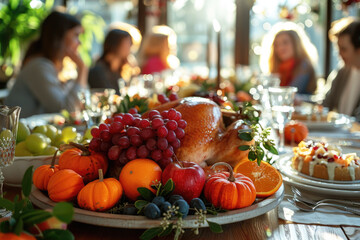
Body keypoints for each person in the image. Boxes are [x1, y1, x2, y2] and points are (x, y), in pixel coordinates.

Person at [5, 11, 88, 118]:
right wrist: (82, 69)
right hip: (19, 133)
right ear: (60, 36)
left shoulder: (50, 66)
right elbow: (65, 110)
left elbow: (82, 103)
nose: (79, 42)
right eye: (76, 35)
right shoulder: (38, 66)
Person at [260, 23, 318, 95]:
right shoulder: (278, 68)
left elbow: (290, 94)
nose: (280, 48)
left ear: (296, 44)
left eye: (285, 42)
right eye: (277, 45)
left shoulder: (304, 66)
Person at [323, 18, 360, 121]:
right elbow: (325, 103)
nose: (339, 54)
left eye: (343, 49)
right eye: (337, 49)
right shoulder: (343, 70)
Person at [88, 29, 132, 95]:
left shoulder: (116, 71)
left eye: (130, 43)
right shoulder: (97, 71)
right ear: (114, 44)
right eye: (126, 43)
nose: (129, 47)